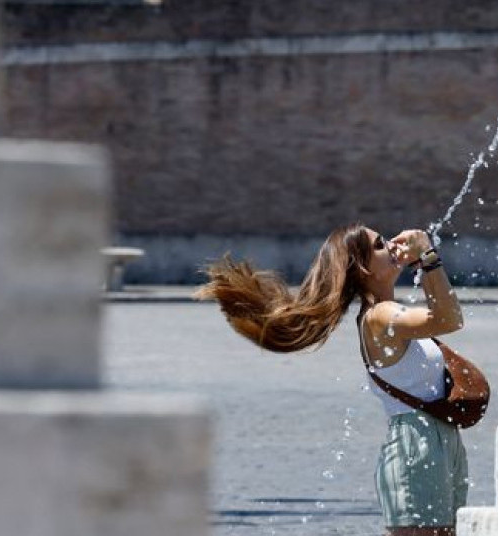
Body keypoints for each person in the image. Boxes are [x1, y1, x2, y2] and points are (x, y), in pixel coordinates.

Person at [196, 224, 468, 536]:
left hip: (440, 441)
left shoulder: (392, 312)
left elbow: (445, 316)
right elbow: (449, 319)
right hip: (415, 446)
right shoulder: (379, 316)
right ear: (364, 268)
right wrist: (429, 256)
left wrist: (424, 260)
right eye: (380, 245)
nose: (392, 245)